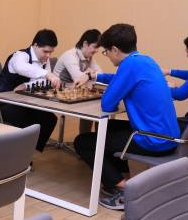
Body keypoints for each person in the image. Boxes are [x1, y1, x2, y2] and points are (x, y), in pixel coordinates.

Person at [74, 24, 180, 210]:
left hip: (152, 139)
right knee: (110, 129)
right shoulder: (145, 60)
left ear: (115, 49)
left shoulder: (129, 65)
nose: (107, 56)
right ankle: (122, 178)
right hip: (169, 136)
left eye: (106, 52)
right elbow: (120, 78)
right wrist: (95, 76)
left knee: (83, 142)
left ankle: (125, 190)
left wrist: (112, 89)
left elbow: (107, 104)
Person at [0, 29, 61, 152]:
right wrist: (46, 74)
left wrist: (26, 85)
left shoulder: (45, 60)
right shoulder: (20, 56)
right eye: (45, 51)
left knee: (50, 119)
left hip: (25, 102)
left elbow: (45, 82)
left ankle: (29, 152)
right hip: (4, 102)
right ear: (35, 45)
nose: (48, 56)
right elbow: (22, 68)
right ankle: (23, 153)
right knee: (31, 125)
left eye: (51, 52)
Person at [53, 28, 103, 134]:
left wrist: (90, 75)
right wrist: (89, 74)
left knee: (100, 104)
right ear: (85, 44)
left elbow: (100, 75)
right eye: (95, 46)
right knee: (91, 105)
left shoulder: (88, 57)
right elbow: (79, 79)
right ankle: (84, 138)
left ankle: (96, 139)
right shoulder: (70, 55)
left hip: (74, 90)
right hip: (60, 91)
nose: (97, 50)